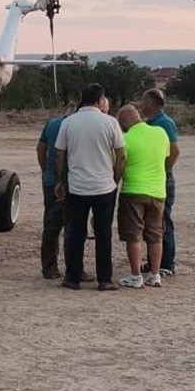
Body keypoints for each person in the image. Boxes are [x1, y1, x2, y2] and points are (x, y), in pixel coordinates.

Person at [54, 82, 125, 290]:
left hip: (77, 187)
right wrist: (115, 177)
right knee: (103, 235)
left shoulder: (69, 123)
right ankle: (104, 279)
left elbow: (59, 153)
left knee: (75, 234)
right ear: (99, 100)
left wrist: (60, 179)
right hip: (104, 187)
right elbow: (121, 154)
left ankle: (72, 277)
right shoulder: (110, 122)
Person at [115, 104, 170, 288]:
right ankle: (155, 274)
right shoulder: (160, 133)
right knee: (155, 235)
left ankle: (136, 275)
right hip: (158, 191)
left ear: (123, 122)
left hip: (133, 190)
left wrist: (117, 179)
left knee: (134, 235)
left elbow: (120, 161)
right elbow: (168, 155)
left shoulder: (125, 138)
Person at [138, 88, 181, 276]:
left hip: (162, 180)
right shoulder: (152, 123)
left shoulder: (165, 123)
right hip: (154, 180)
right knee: (152, 223)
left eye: (143, 102)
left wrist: (163, 169)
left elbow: (175, 150)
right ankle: (154, 261)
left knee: (163, 222)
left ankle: (166, 264)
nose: (141, 106)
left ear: (150, 104)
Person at [35, 109, 69, 279]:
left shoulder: (52, 123)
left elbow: (40, 149)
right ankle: (74, 267)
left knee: (51, 226)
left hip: (49, 181)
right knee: (72, 227)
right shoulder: (73, 126)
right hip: (69, 181)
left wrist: (45, 170)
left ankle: (49, 267)